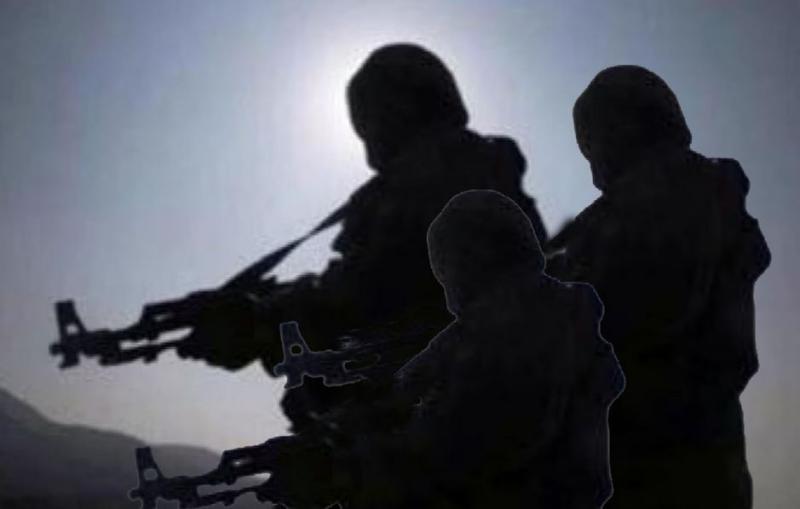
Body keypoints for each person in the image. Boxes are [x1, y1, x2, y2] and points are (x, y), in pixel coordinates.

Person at [177, 43, 548, 432]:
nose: (369, 131)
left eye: (372, 114)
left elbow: (369, 292)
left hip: (457, 411)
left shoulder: (433, 172)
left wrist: (262, 322)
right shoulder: (480, 163)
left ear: (401, 105)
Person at [547, 65, 771, 508]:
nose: (592, 160)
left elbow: (641, 302)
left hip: (666, 452)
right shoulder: (623, 210)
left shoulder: (682, 185)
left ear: (631, 122)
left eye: (594, 139)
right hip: (638, 449)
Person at [315, 190, 622, 509]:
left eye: (447, 262)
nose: (446, 278)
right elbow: (411, 386)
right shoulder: (538, 312)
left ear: (475, 254)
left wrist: (354, 467)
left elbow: (463, 441)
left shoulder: (520, 319)